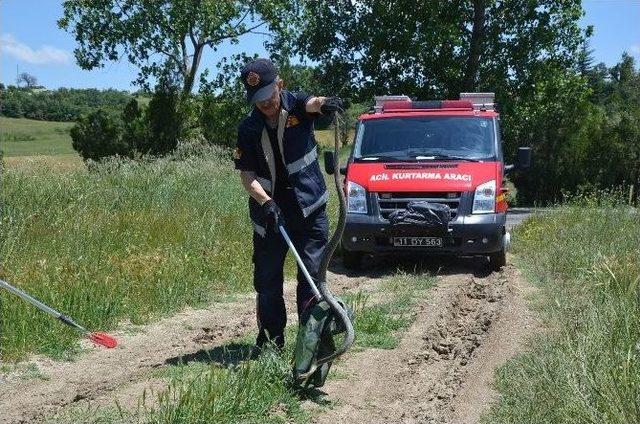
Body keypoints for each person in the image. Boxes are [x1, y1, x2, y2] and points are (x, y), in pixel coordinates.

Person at [233, 58, 343, 349]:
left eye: (268, 95)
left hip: (308, 209)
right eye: (257, 99)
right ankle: (271, 341)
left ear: (279, 85)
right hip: (270, 214)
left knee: (310, 277)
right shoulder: (248, 128)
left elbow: (314, 104)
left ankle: (313, 343)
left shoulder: (296, 105)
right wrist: (266, 202)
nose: (264, 103)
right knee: (267, 282)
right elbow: (247, 175)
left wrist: (327, 103)